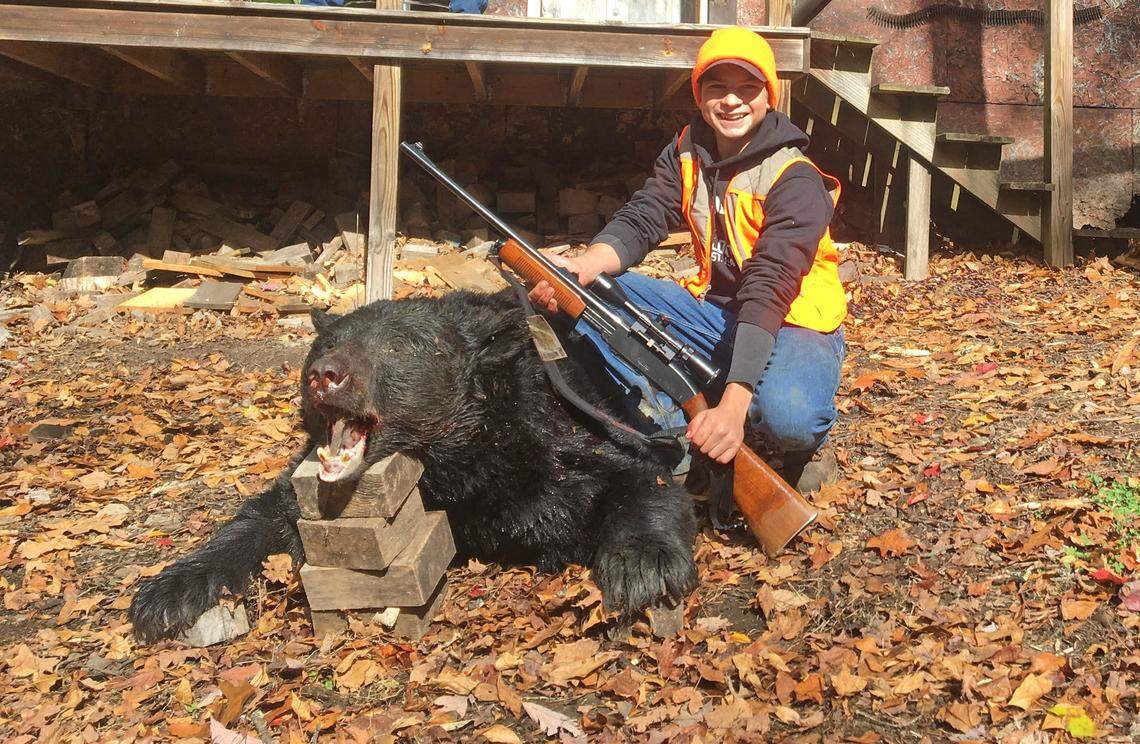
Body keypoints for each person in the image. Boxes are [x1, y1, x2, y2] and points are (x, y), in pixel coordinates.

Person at [530, 26, 846, 496]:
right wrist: (584, 265)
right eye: (717, 87)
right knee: (583, 292)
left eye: (748, 88)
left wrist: (736, 405)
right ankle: (670, 424)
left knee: (788, 417)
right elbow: (644, 217)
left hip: (796, 322)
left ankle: (807, 445)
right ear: (699, 95)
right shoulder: (684, 152)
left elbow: (770, 285)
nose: (731, 101)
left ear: (769, 97)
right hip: (718, 314)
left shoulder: (795, 177)